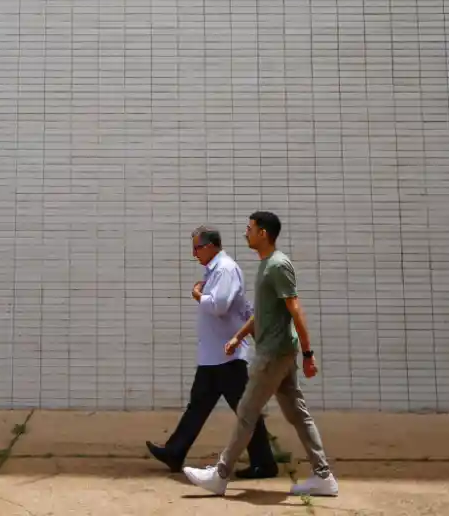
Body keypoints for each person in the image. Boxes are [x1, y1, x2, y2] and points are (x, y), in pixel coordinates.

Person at [184, 211, 339, 498]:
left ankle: (220, 475)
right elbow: (264, 313)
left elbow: (295, 309)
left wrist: (308, 353)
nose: (246, 233)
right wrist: (238, 336)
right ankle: (323, 476)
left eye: (250, 228)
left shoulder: (277, 265)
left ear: (263, 233)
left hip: (273, 354)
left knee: (246, 412)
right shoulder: (267, 265)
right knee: (297, 414)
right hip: (279, 352)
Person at [145, 226, 278, 478]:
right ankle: (175, 451)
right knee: (198, 404)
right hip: (214, 355)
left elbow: (220, 305)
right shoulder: (217, 270)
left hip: (227, 356)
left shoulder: (225, 269)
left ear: (211, 246)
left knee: (245, 410)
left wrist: (198, 295)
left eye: (197, 248)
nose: (194, 253)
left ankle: (264, 462)